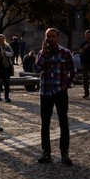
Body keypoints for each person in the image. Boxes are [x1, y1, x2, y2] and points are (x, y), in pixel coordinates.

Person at [34, 27, 75, 166]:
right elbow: (36, 69)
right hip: (45, 92)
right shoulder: (42, 53)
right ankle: (46, 152)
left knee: (63, 122)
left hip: (60, 92)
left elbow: (73, 71)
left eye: (52, 36)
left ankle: (65, 153)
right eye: (48, 36)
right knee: (45, 123)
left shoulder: (65, 53)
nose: (50, 39)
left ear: (58, 38)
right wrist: (43, 54)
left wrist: (66, 85)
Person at [0, 34, 15, 102]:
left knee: (6, 83)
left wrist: (5, 53)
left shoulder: (7, 46)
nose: (0, 40)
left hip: (6, 67)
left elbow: (12, 53)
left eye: (2, 39)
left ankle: (6, 97)